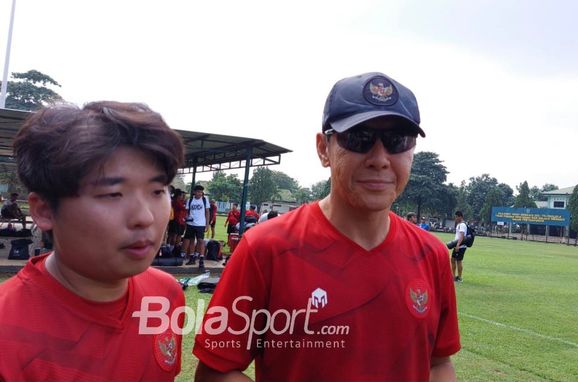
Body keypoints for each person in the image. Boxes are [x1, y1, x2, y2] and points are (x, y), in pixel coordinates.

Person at [193, 72, 460, 381]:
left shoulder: (432, 254)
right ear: (323, 149)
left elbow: (439, 363)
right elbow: (216, 371)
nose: (379, 158)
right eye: (359, 138)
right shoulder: (266, 248)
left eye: (397, 141)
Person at [0, 101, 185, 380]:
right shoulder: (8, 330)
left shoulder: (165, 295)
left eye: (157, 191)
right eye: (113, 194)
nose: (145, 217)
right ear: (44, 210)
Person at [182, 185, 210, 265]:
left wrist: (207, 224)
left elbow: (207, 212)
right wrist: (186, 219)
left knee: (200, 241)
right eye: (198, 192)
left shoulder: (205, 200)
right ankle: (192, 257)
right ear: (194, 192)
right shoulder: (190, 200)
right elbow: (187, 212)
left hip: (201, 224)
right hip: (191, 223)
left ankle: (201, 258)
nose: (200, 193)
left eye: (201, 192)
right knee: (191, 240)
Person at [451, 211, 468, 282]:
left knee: (459, 261)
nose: (455, 218)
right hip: (457, 245)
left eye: (456, 217)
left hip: (460, 246)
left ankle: (460, 278)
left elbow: (462, 236)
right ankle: (453, 276)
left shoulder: (462, 225)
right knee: (452, 259)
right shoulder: (459, 224)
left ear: (460, 216)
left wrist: (458, 245)